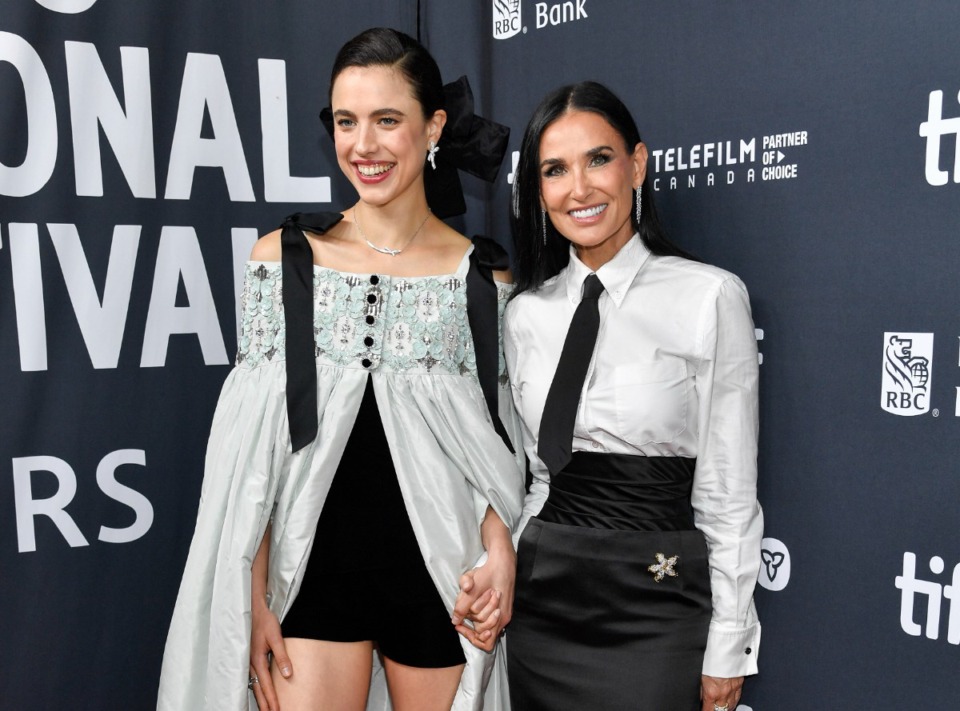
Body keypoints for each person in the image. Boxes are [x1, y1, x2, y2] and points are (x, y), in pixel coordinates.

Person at [157, 28, 523, 711]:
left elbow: (494, 444)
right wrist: (255, 597)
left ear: (434, 124)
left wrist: (500, 550)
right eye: (347, 122)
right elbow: (252, 455)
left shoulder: (480, 275)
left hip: (439, 576)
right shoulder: (285, 258)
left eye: (388, 120)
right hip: (313, 574)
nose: (364, 145)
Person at [501, 81, 763, 711]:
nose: (579, 189)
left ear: (637, 165)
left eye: (598, 159)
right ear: (538, 190)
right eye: (555, 170)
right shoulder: (524, 314)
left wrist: (728, 642)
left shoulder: (709, 297)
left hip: (659, 599)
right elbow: (530, 473)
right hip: (543, 601)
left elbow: (728, 491)